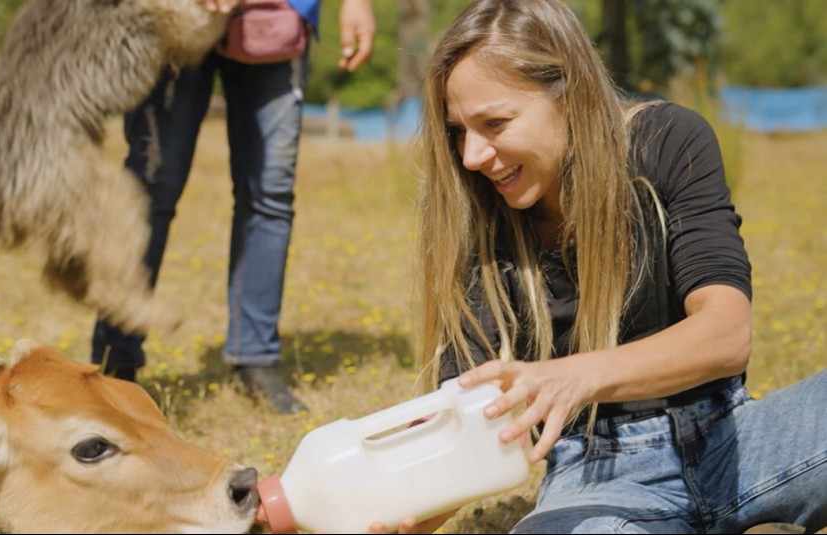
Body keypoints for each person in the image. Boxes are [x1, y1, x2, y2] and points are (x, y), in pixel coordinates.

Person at [368, 0, 827, 533]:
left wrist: (574, 377)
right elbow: (459, 425)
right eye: (458, 131)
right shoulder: (479, 220)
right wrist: (406, 515)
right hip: (596, 481)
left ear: (570, 97)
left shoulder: (668, 141)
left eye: (494, 123)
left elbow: (726, 335)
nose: (470, 156)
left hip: (737, 441)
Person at [91, 0, 375, 415]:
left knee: (270, 194)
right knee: (150, 188)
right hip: (176, 12)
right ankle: (115, 362)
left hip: (278, 14)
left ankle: (255, 359)